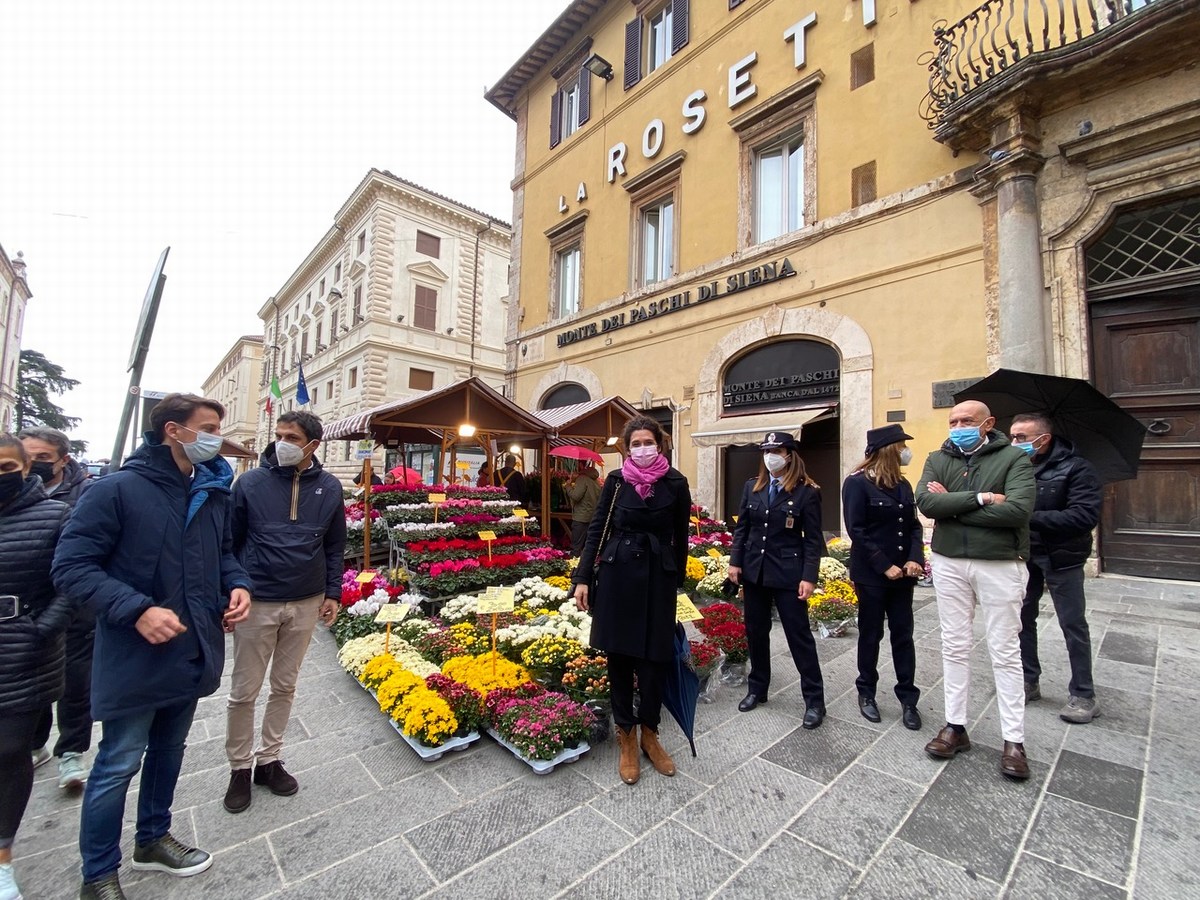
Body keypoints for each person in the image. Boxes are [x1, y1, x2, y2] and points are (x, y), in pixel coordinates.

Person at [52, 393, 253, 899]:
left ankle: (154, 839)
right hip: (135, 654)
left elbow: (223, 553)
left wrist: (237, 584)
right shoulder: (116, 489)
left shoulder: (212, 491)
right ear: (173, 430)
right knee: (118, 761)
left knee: (169, 751)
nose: (215, 437)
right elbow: (71, 567)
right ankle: (98, 873)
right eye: (207, 427)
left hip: (192, 646)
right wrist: (137, 609)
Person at [223, 411, 346, 814]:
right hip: (258, 599)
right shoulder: (250, 483)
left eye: (291, 437)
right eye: (279, 435)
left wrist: (332, 592)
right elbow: (230, 542)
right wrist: (233, 588)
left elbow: (334, 544)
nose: (281, 443)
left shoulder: (329, 487)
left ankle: (269, 759)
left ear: (313, 444)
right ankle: (239, 767)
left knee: (285, 686)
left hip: (306, 600)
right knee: (244, 690)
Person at [916, 400, 1035, 780]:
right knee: (953, 644)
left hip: (1000, 562)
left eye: (967, 420)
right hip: (950, 561)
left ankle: (1013, 740)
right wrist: (983, 498)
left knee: (1004, 649)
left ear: (988, 423)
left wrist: (952, 505)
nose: (958, 425)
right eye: (953, 420)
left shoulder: (1014, 458)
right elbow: (927, 502)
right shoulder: (938, 458)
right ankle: (955, 726)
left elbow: (1017, 511)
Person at [572, 417, 690, 786]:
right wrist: (582, 577)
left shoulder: (676, 482)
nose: (641, 447)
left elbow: (681, 537)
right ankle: (626, 735)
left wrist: (678, 581)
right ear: (627, 447)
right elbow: (597, 528)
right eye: (635, 442)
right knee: (619, 657)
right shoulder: (617, 480)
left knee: (655, 658)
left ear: (659, 443)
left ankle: (650, 734)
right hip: (618, 572)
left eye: (647, 441)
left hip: (658, 576)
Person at [0, 434, 74, 900]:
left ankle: (3, 856)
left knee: (9, 751)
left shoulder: (55, 515)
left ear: (26, 469)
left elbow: (72, 577)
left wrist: (41, 628)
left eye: (6, 466)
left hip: (22, 648)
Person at [728, 433, 828, 729]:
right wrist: (735, 562)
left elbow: (812, 540)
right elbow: (742, 529)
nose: (770, 455)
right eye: (767, 450)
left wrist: (809, 577)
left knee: (799, 637)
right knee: (755, 633)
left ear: (790, 455)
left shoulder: (807, 492)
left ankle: (814, 699)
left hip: (788, 574)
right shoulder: (752, 486)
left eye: (777, 450)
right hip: (755, 572)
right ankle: (757, 688)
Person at [1009, 413, 1104, 724]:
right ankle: (1028, 679)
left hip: (1063, 557)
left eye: (1021, 438)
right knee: (1022, 618)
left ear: (1044, 439)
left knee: (1072, 623)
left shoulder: (1079, 469)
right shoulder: (1016, 467)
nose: (1015, 443)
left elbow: (1083, 516)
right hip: (1026, 554)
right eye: (1012, 436)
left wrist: (1027, 515)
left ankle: (1083, 693)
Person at [19, 426, 95, 791]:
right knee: (29, 682)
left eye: (43, 459)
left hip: (75, 606)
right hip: (23, 610)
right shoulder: (10, 495)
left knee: (74, 683)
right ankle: (34, 745)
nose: (33, 466)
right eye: (28, 458)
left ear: (63, 460)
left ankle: (72, 751)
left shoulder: (87, 495)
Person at [842, 424, 925, 731]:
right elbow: (857, 530)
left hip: (904, 576)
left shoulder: (903, 484)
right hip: (873, 576)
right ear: (889, 449)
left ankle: (908, 699)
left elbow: (914, 526)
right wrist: (884, 565)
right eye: (902, 445)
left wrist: (915, 558)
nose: (906, 451)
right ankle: (867, 693)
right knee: (871, 634)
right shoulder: (857, 483)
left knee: (903, 636)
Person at [566, 463, 602, 555]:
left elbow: (576, 496)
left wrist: (568, 487)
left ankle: (574, 567)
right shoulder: (595, 480)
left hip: (581, 517)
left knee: (576, 547)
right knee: (588, 547)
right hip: (592, 516)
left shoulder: (582, 479)